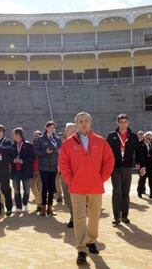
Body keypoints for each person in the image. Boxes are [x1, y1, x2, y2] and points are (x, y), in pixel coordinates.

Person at [59, 112, 115, 265]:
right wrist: (71, 180)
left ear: (90, 123)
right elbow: (63, 164)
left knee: (95, 216)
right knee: (79, 218)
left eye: (86, 121)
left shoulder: (100, 141)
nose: (83, 123)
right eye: (80, 121)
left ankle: (91, 239)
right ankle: (81, 249)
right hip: (76, 187)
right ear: (76, 124)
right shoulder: (68, 143)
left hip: (95, 186)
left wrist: (102, 177)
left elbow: (109, 160)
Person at [107, 114, 144, 226]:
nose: (123, 124)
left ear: (128, 123)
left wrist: (141, 164)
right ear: (117, 123)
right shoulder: (112, 136)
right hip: (115, 168)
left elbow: (138, 151)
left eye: (125, 121)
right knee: (116, 191)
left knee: (125, 192)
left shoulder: (133, 136)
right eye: (121, 121)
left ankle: (125, 216)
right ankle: (116, 217)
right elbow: (106, 152)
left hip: (127, 168)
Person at [34, 121, 62, 216]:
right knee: (44, 187)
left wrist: (59, 151)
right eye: (50, 127)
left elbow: (61, 150)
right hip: (43, 167)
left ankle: (50, 208)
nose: (52, 129)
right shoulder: (40, 139)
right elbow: (36, 151)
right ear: (46, 128)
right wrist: (45, 151)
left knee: (51, 188)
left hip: (54, 167)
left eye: (53, 128)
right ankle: (43, 208)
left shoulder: (57, 139)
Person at [11, 128, 34, 213]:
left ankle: (25, 204)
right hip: (15, 171)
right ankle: (18, 206)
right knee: (16, 190)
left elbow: (31, 158)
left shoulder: (28, 145)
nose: (13, 136)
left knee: (27, 189)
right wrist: (13, 160)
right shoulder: (12, 145)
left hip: (26, 171)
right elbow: (9, 157)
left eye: (14, 134)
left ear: (18, 135)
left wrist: (23, 161)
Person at [60, 122, 77, 228]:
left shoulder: (80, 142)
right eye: (66, 129)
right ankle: (74, 215)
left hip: (76, 174)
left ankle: (74, 218)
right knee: (67, 198)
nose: (67, 131)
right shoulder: (63, 142)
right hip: (64, 174)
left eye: (69, 129)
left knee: (75, 197)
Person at [137, 131, 152, 199]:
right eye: (148, 138)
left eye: (151, 139)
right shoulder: (140, 144)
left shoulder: (151, 144)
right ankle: (139, 192)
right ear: (145, 137)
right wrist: (141, 166)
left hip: (150, 166)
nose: (150, 140)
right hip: (143, 166)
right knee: (142, 180)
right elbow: (139, 156)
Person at [31, 130, 43, 212]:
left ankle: (40, 204)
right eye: (34, 135)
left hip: (42, 169)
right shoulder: (31, 146)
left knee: (41, 187)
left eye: (37, 135)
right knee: (32, 187)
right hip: (32, 169)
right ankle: (40, 200)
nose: (35, 137)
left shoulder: (43, 145)